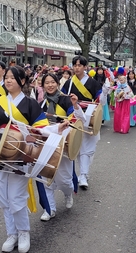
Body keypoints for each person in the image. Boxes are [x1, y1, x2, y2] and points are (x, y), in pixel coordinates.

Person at [0, 65, 60, 253]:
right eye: (6, 77)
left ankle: (23, 232)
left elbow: (41, 130)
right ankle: (11, 233)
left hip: (21, 155)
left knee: (16, 197)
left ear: (22, 81)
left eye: (12, 78)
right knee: (2, 198)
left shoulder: (31, 104)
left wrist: (57, 129)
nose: (8, 81)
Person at [38, 72, 84, 221]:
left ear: (57, 83)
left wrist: (75, 105)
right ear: (43, 85)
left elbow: (75, 120)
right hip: (46, 144)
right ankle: (49, 208)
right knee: (46, 178)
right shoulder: (41, 104)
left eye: (53, 82)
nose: (50, 85)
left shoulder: (65, 100)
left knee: (65, 180)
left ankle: (68, 193)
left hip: (63, 144)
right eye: (47, 83)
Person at [61, 56, 102, 189]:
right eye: (75, 65)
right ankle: (80, 173)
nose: (77, 67)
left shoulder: (94, 83)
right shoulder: (69, 83)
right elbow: (63, 99)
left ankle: (84, 174)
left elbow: (99, 101)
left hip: (88, 116)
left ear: (85, 67)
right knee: (75, 145)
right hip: (73, 115)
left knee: (87, 147)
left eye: (80, 65)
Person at [113, 68, 134, 134]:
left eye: (122, 80)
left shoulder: (127, 87)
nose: (121, 81)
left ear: (125, 80)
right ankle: (118, 128)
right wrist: (116, 95)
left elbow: (131, 95)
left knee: (125, 115)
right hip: (119, 102)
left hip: (125, 103)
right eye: (120, 80)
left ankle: (124, 128)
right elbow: (115, 93)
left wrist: (125, 96)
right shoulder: (118, 86)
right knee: (118, 114)